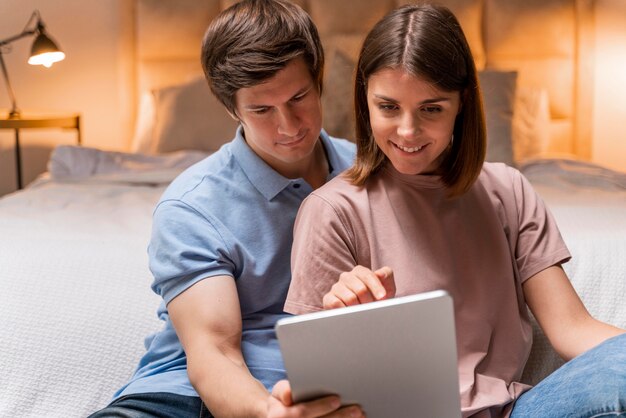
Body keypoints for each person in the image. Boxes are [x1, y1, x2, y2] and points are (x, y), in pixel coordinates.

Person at [284, 4, 626, 418]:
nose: (407, 132)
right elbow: (322, 400)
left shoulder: (509, 190)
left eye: (431, 109)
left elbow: (573, 329)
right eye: (388, 107)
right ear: (365, 101)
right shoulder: (331, 211)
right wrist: (347, 324)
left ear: (461, 104)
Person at [89, 1, 364, 417]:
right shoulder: (192, 206)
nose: (288, 126)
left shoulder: (370, 175)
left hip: (328, 397)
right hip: (184, 398)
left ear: (319, 80)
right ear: (232, 109)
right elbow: (214, 353)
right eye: (262, 110)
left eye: (298, 97)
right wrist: (270, 413)